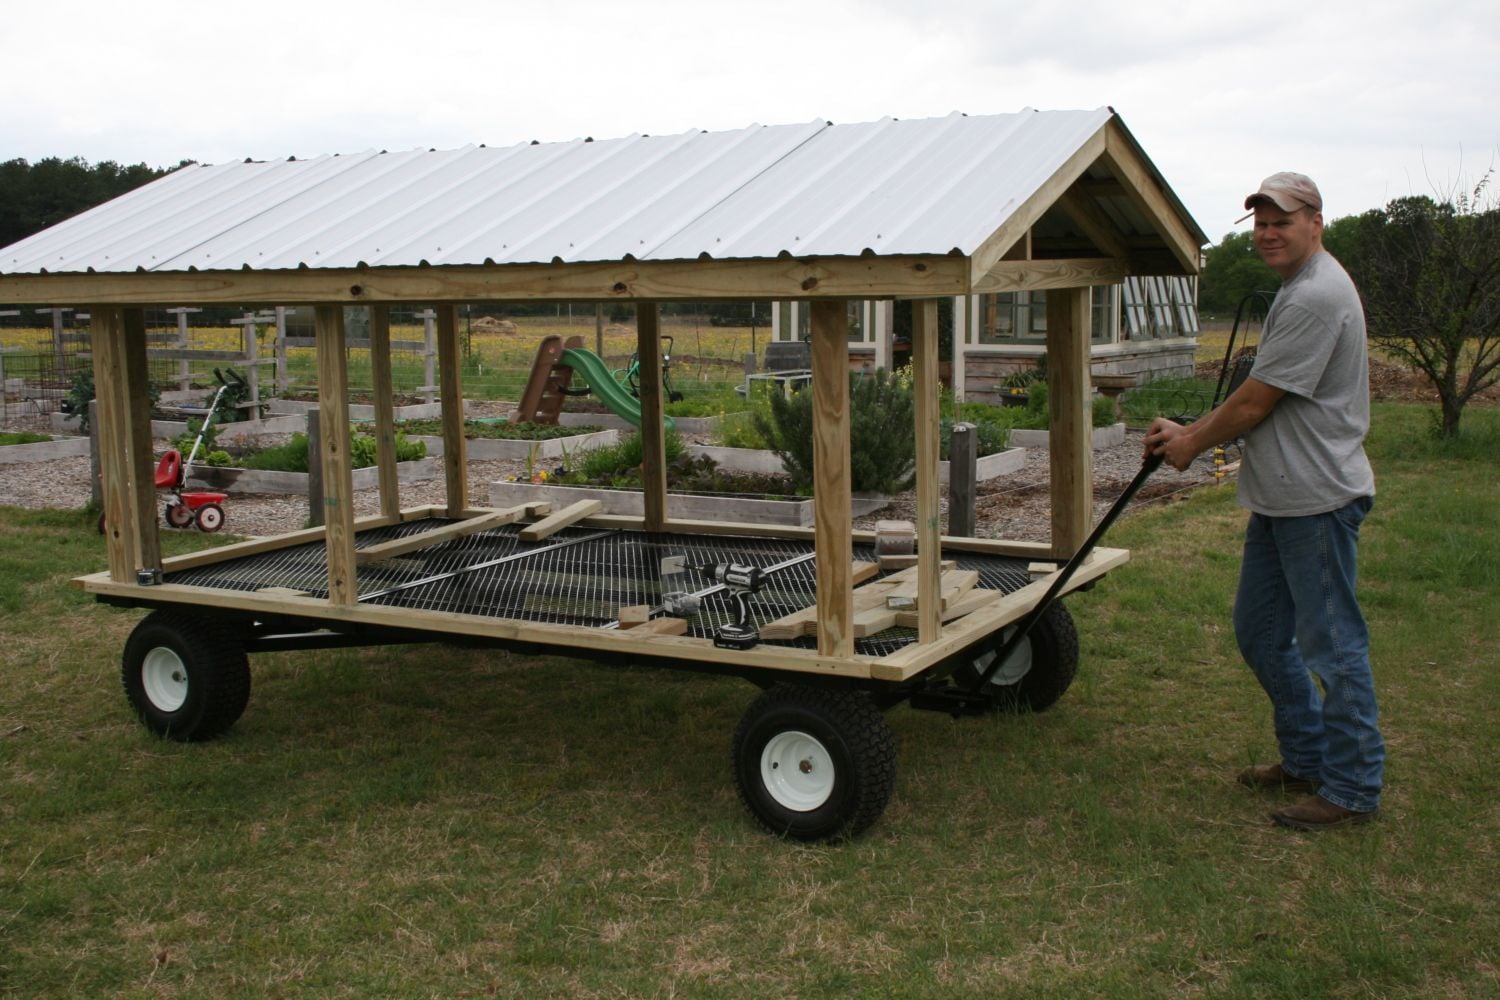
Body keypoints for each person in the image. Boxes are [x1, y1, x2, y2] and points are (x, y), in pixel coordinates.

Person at [1143, 172, 1384, 831]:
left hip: (1316, 499)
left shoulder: (1316, 296)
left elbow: (1255, 403)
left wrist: (1191, 444)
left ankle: (1353, 788)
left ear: (1316, 222)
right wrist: (1188, 430)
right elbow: (1256, 395)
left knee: (1332, 646)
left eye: (1283, 221)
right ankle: (1306, 758)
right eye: (1261, 224)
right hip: (1283, 496)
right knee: (1262, 634)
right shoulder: (1297, 288)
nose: (1269, 233)